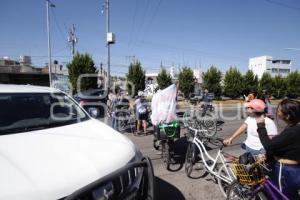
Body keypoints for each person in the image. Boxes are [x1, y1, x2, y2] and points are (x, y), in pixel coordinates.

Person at [255, 99, 300, 199]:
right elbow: (289, 147)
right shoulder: (294, 127)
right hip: (295, 170)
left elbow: (268, 145)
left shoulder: (293, 131)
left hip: (286, 172)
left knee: (279, 196)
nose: (276, 112)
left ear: (287, 116)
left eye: (279, 110)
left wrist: (260, 125)